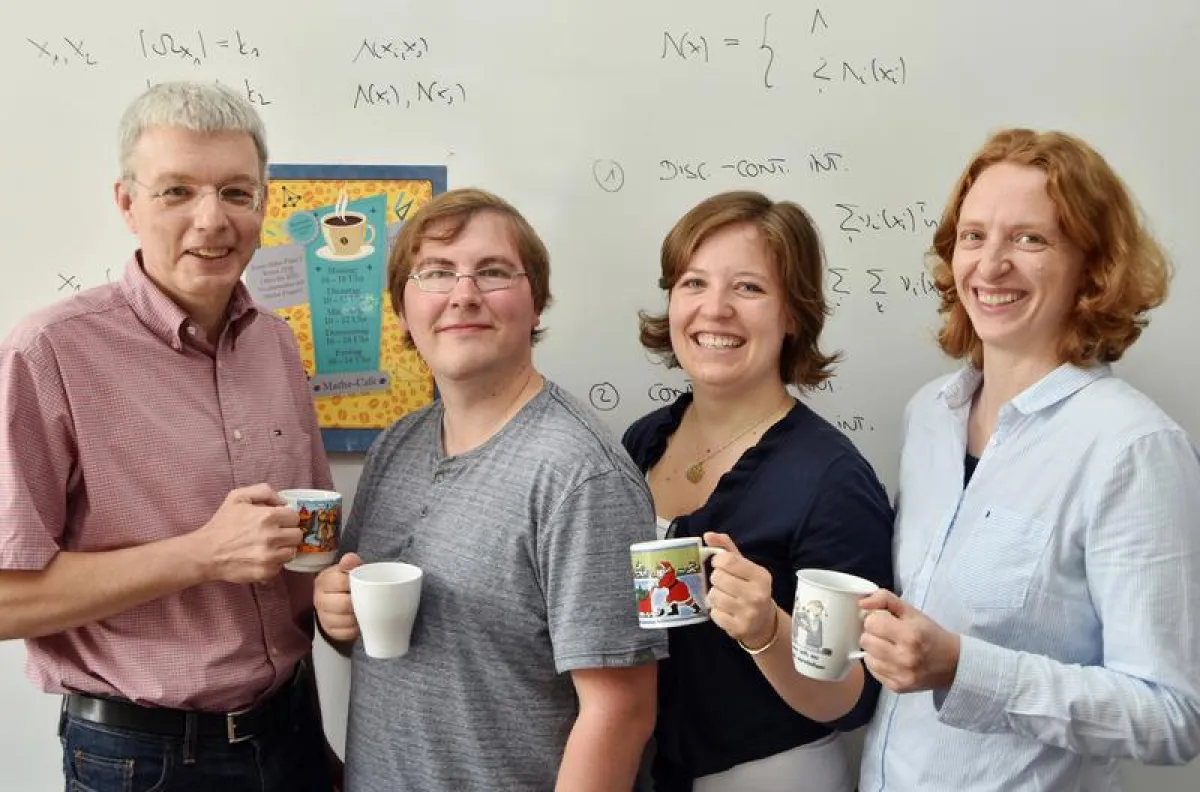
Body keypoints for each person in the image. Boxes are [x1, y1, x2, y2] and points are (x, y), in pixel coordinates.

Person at [0, 81, 338, 791]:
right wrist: (200, 555)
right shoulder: (47, 352)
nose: (212, 220)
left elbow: (305, 551)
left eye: (236, 193)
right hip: (143, 759)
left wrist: (338, 597)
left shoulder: (277, 344)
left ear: (264, 204)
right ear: (127, 203)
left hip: (291, 728)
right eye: (177, 191)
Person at [858, 129, 1200, 790]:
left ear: (1093, 267)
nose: (990, 266)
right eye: (974, 236)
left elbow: (1172, 715)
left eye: (1030, 239)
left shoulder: (1133, 449)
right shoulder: (930, 415)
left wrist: (962, 668)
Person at [314, 188, 666, 792]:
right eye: (436, 272)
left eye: (494, 271)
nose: (463, 294)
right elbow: (367, 636)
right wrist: (335, 613)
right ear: (401, 310)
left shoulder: (584, 477)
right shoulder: (396, 444)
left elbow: (622, 711)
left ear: (537, 304)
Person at [623, 190, 895, 791]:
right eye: (694, 283)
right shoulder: (644, 441)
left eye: (748, 288)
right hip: (647, 767)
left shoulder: (831, 479)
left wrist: (767, 630)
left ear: (793, 314)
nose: (714, 309)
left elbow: (854, 697)